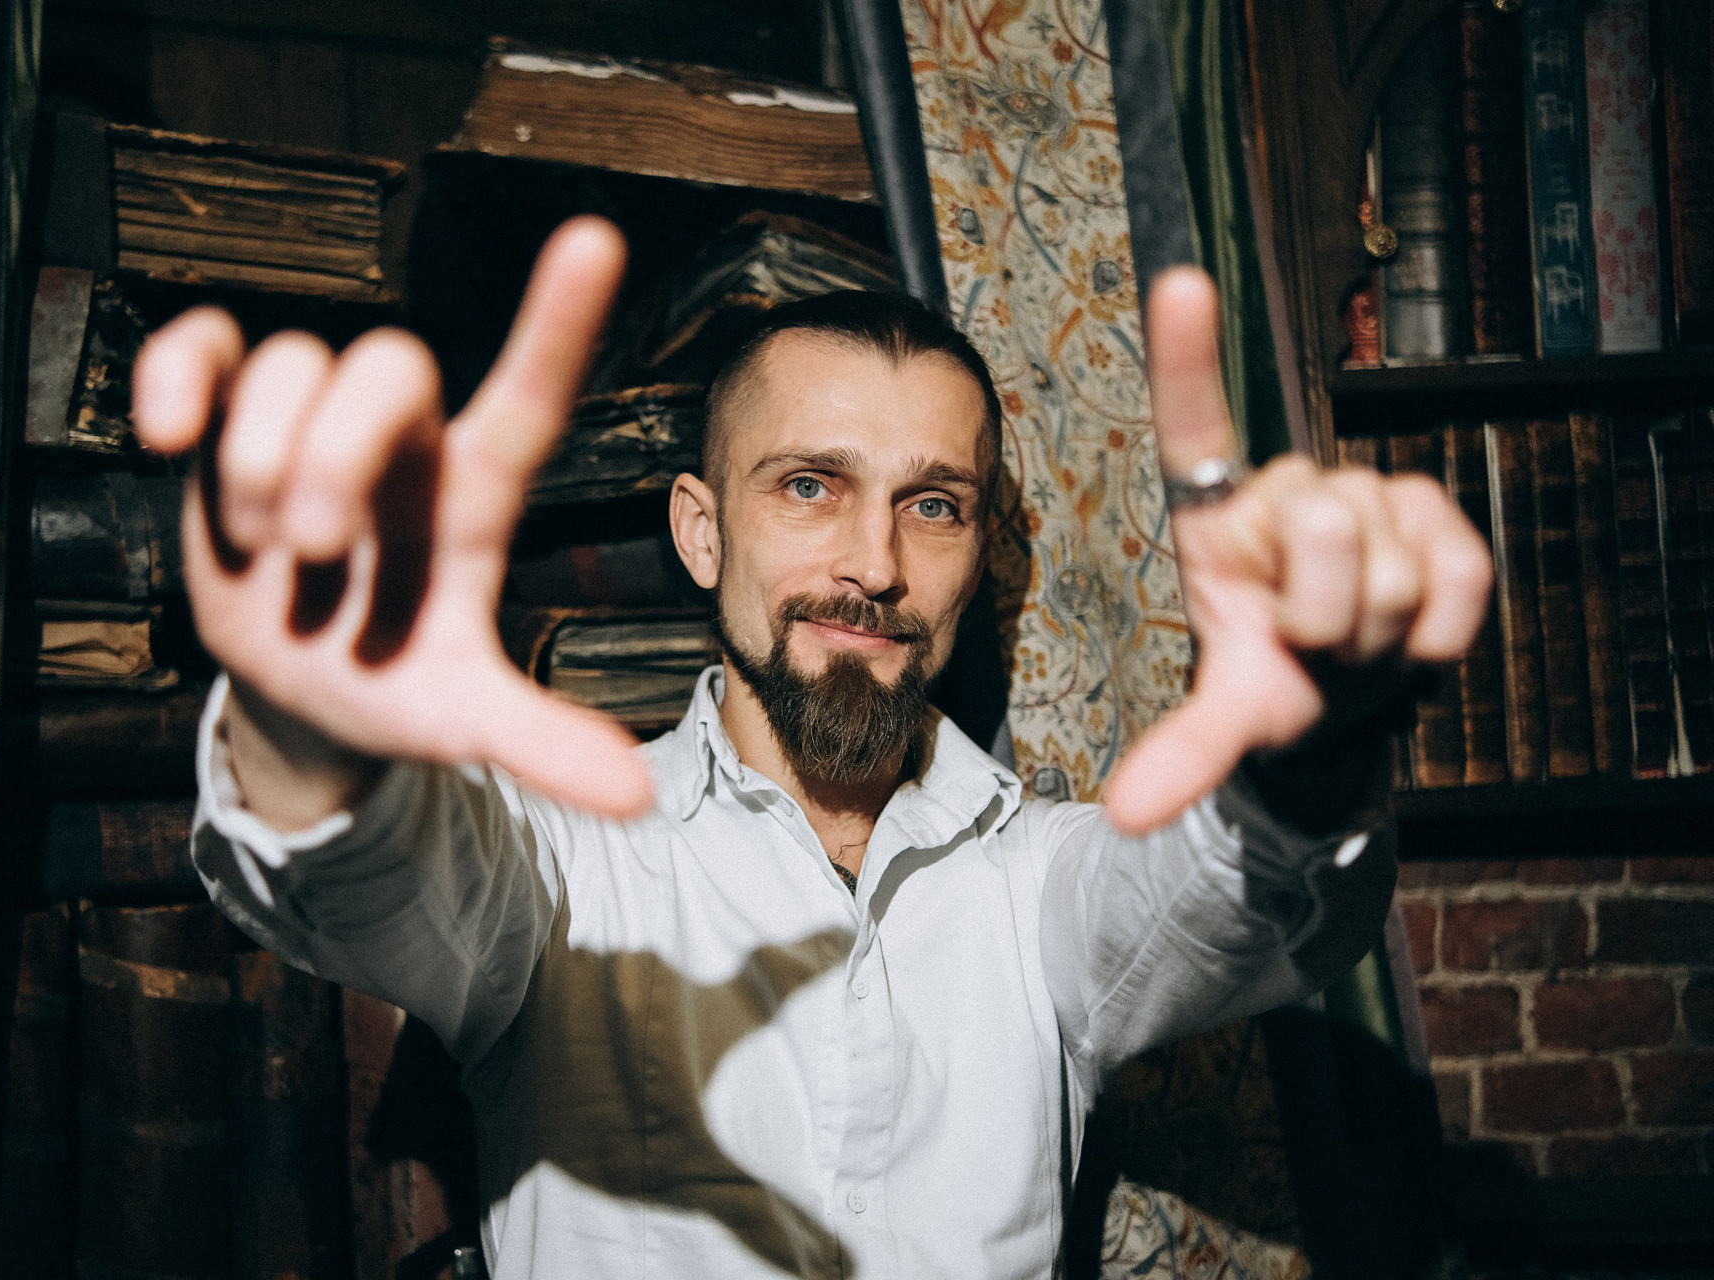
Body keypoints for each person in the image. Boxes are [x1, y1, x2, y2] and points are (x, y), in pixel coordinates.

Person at [133, 218, 1491, 1279]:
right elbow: (358, 875)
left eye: (935, 505)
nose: (874, 565)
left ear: (982, 551)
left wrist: (1315, 739)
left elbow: (1231, 899)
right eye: (809, 486)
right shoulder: (560, 860)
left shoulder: (1042, 884)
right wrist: (310, 719)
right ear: (700, 530)